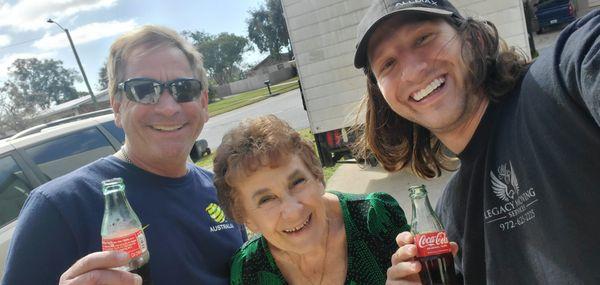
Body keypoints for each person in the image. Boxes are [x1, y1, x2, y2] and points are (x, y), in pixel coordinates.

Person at [353, 0, 599, 284]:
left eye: (423, 38)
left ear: (474, 38)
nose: (412, 71)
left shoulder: (564, 78)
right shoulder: (450, 217)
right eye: (388, 64)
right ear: (382, 97)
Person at [2, 25, 246, 285]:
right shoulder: (59, 208)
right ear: (117, 106)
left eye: (183, 88)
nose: (167, 107)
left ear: (204, 103)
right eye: (142, 89)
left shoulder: (221, 190)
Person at [212, 115, 410, 284]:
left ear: (317, 176)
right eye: (266, 200)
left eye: (297, 182)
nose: (293, 210)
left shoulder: (375, 218)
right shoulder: (248, 271)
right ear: (246, 218)